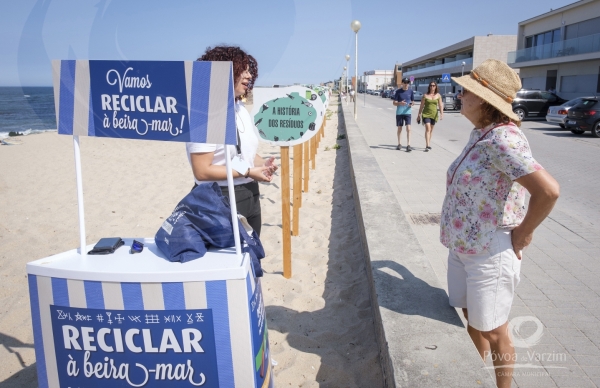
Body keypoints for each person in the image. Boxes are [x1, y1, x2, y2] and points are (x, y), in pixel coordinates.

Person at [441, 59, 560, 388]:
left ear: (482, 98)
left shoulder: (503, 139)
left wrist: (523, 233)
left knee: (495, 330)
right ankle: (471, 379)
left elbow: (548, 191)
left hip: (489, 253)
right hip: (465, 247)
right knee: (474, 321)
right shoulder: (481, 134)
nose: (459, 95)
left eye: (465, 90)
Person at [186, 45, 277, 236]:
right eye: (241, 70)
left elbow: (240, 153)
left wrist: (261, 163)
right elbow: (202, 171)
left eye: (249, 70)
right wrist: (250, 171)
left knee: (252, 259)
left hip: (250, 193)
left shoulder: (238, 108)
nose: (249, 76)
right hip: (221, 198)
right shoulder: (207, 111)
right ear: (223, 71)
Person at [417, 81, 444, 151]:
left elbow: (440, 105)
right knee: (428, 128)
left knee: (431, 130)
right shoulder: (425, 95)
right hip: (426, 114)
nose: (432, 87)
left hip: (434, 114)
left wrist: (441, 113)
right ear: (429, 87)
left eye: (433, 85)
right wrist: (419, 115)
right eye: (431, 85)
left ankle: (429, 143)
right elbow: (421, 106)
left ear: (436, 87)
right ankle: (427, 145)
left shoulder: (438, 95)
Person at [392, 78, 415, 151]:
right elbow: (394, 103)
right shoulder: (398, 92)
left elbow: (413, 101)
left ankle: (408, 145)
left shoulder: (410, 91)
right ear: (402, 83)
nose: (406, 84)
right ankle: (399, 144)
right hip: (400, 112)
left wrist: (411, 104)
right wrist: (400, 103)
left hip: (408, 112)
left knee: (408, 128)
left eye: (407, 82)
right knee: (399, 128)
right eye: (405, 82)